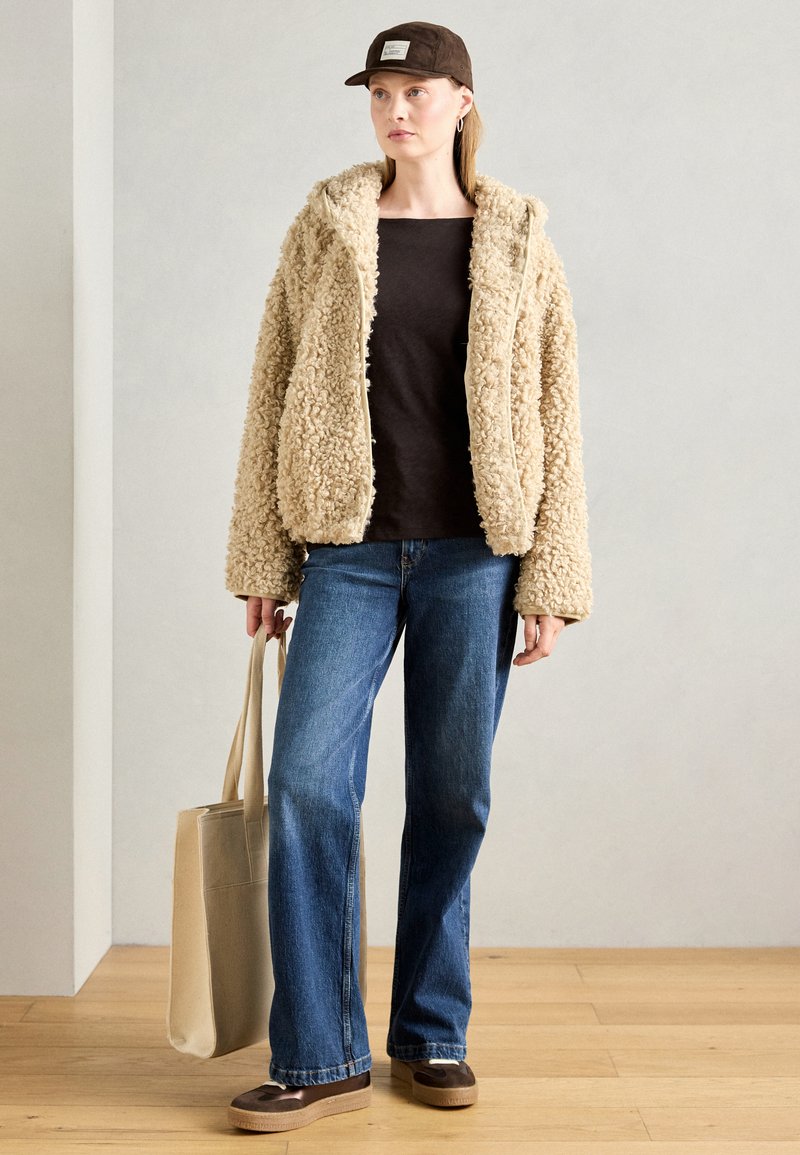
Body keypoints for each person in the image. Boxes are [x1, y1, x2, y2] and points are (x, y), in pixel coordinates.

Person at [224, 19, 592, 1135]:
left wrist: (551, 575)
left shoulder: (517, 236)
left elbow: (555, 408)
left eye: (416, 91)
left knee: (449, 796)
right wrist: (262, 554)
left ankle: (432, 1031)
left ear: (461, 103)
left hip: (475, 557)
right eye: (380, 92)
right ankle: (320, 1053)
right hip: (346, 554)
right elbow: (273, 383)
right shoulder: (327, 228)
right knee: (306, 785)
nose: (395, 110)